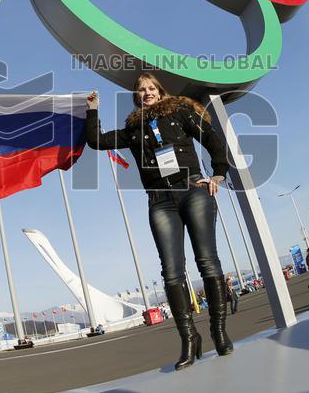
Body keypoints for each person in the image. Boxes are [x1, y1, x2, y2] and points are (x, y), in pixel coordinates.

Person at [85, 73, 233, 371]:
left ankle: (218, 331)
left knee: (207, 261)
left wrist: (218, 173)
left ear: (160, 91)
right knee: (171, 272)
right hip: (160, 201)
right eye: (141, 90)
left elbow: (213, 139)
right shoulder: (132, 128)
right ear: (136, 96)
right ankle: (190, 339)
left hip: (193, 190)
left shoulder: (180, 111)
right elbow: (96, 141)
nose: (146, 92)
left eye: (151, 88)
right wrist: (92, 110)